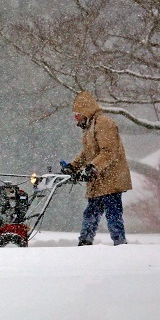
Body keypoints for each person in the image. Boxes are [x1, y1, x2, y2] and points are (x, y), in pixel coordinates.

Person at [61, 91, 133, 246]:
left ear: (86, 111)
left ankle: (120, 245)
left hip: (110, 179)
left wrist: (92, 167)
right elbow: (87, 153)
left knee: (113, 214)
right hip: (98, 181)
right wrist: (73, 167)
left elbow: (109, 151)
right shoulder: (90, 128)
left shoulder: (103, 123)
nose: (76, 118)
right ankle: (85, 243)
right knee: (91, 213)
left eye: (78, 114)